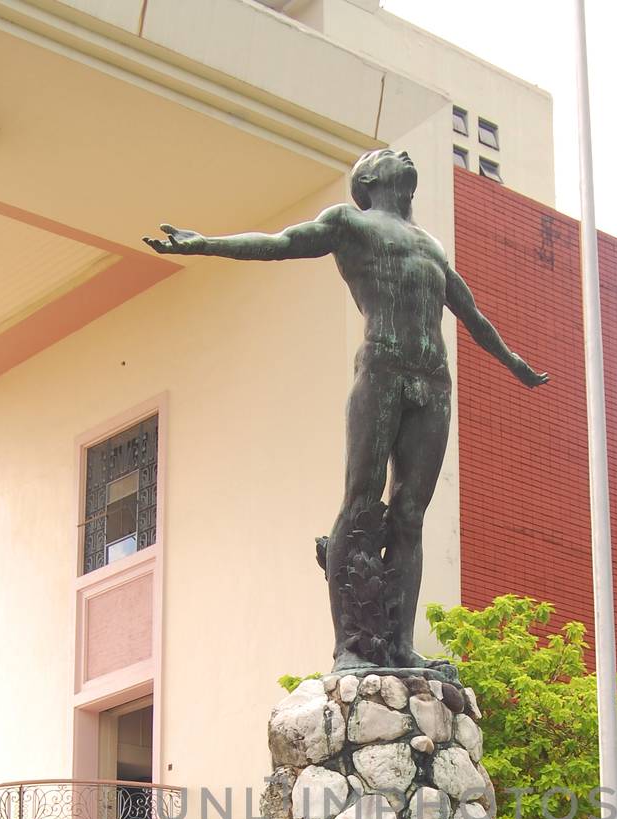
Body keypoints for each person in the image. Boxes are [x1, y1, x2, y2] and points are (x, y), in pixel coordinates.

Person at [145, 147, 547, 669]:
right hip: (381, 369)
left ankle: (401, 646)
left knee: (410, 516)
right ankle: (351, 648)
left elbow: (471, 315)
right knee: (361, 502)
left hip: (433, 382)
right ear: (370, 177)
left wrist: (512, 362)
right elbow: (279, 244)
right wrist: (205, 245)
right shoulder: (349, 225)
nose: (402, 154)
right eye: (386, 154)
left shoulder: (431, 246)